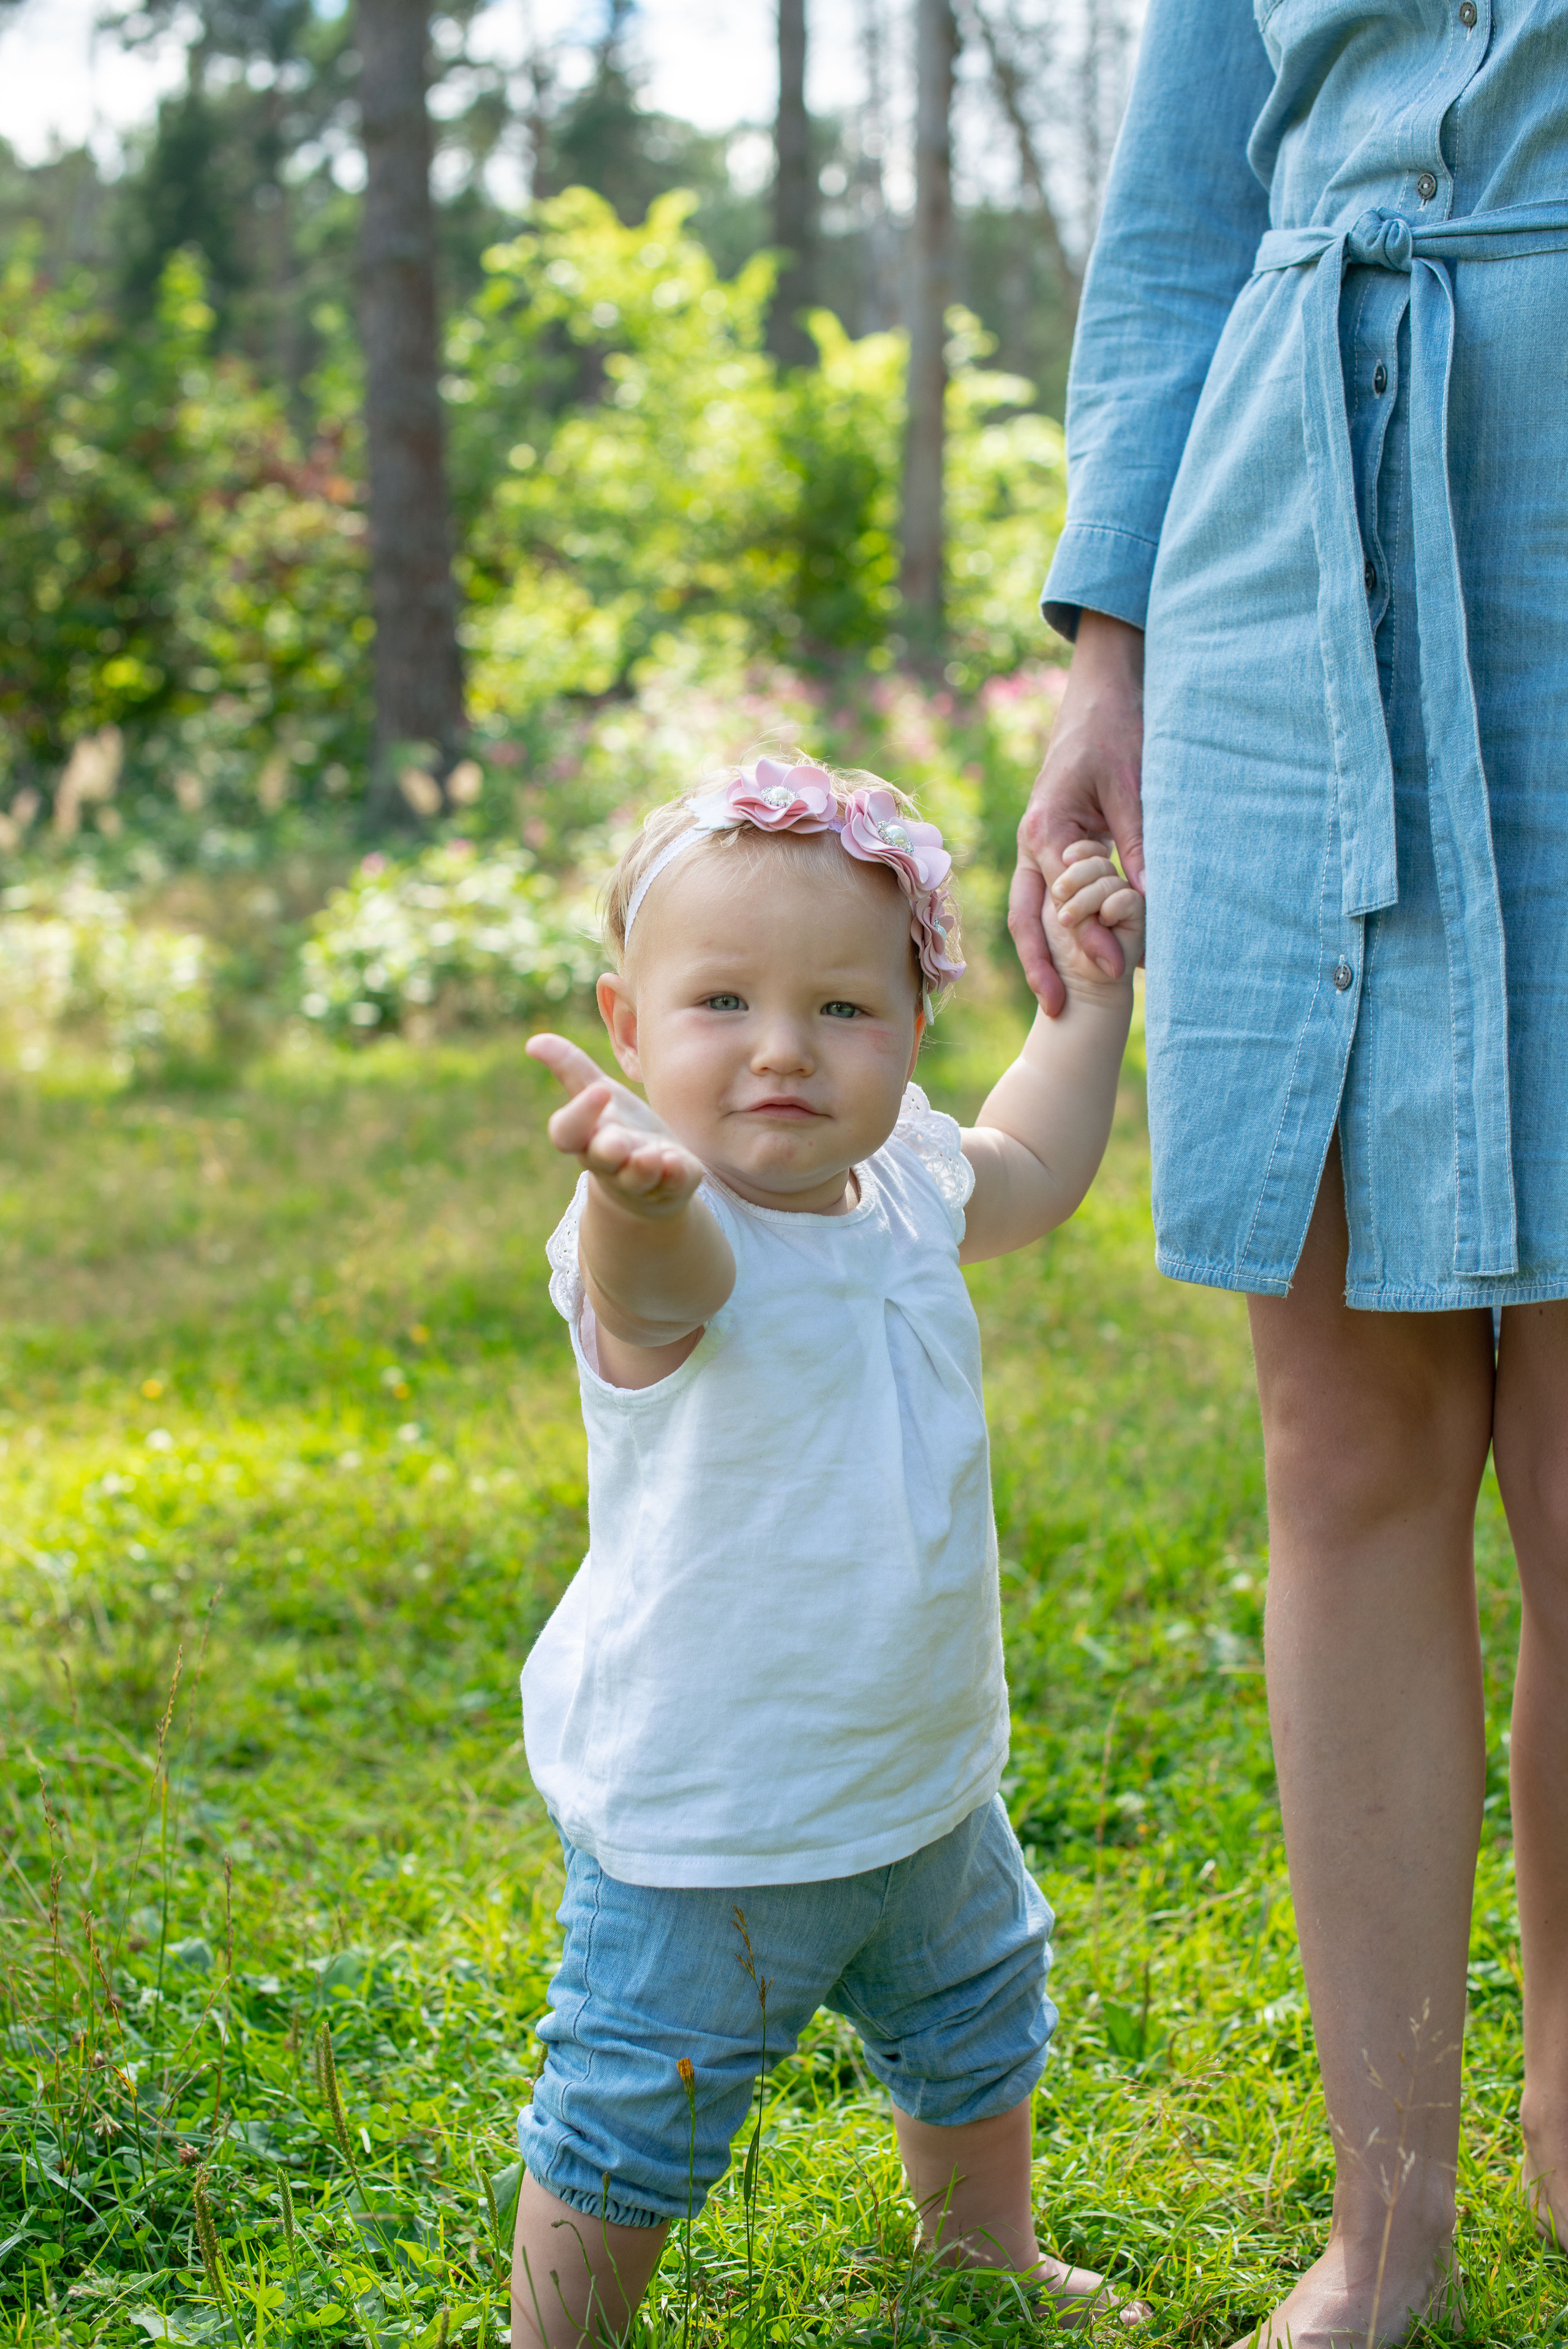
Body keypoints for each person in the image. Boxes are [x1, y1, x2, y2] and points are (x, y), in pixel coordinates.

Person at [1008, 4, 1568, 2344]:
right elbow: (1171, 231)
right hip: (1284, 537)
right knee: (1344, 1434)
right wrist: (1104, 658)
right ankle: (1393, 2224)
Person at [513, 755, 1147, 2347]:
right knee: (634, 2100)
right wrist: (639, 1201)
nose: (785, 1049)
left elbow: (1036, 1170)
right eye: (722, 1001)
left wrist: (1081, 1008)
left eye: (845, 1010)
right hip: (713, 1817)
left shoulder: (915, 1182)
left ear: (914, 1030)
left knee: (978, 2012)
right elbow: (665, 1295)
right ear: (628, 1023)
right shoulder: (666, 1224)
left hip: (922, 1775)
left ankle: (981, 2240)